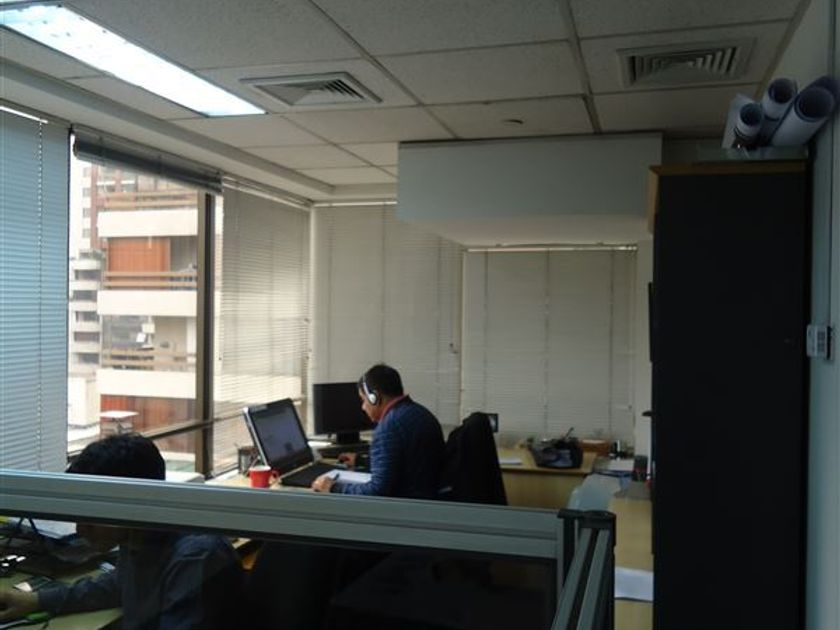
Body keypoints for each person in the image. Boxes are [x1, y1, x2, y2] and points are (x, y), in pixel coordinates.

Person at [0, 434, 244, 630]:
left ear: (131, 503)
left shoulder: (195, 557)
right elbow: (118, 585)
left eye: (90, 517)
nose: (80, 529)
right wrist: (36, 600)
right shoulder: (138, 535)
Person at [312, 364, 445, 499]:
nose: (363, 407)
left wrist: (333, 488)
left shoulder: (388, 428)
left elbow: (377, 491)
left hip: (407, 505)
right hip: (428, 498)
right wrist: (361, 461)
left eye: (363, 400)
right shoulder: (420, 413)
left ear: (374, 397)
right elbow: (403, 464)